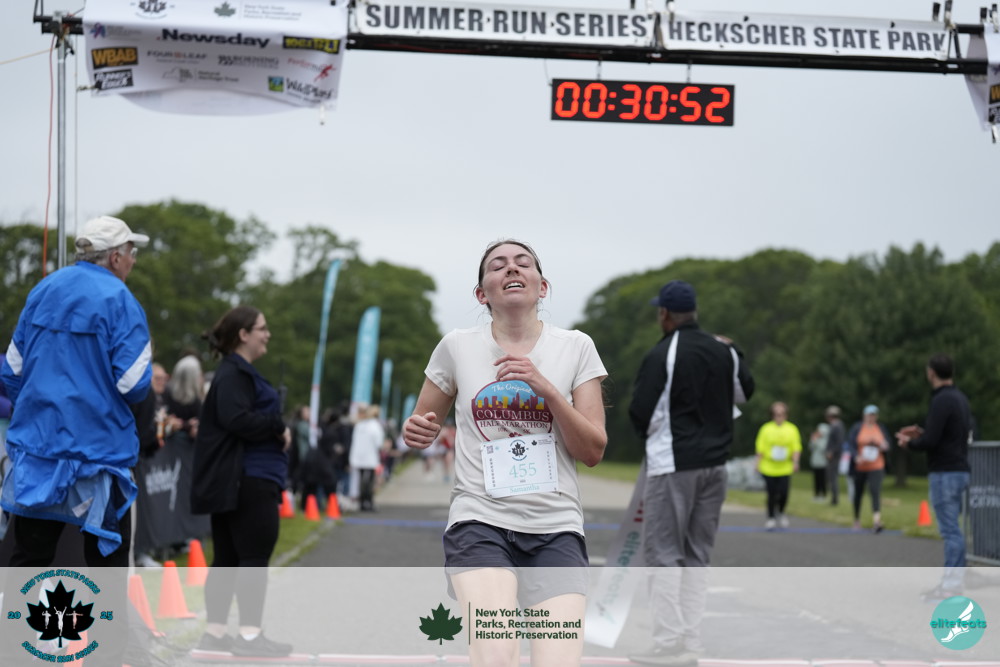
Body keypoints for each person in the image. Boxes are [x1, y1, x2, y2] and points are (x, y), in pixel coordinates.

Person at [402, 239, 607, 667]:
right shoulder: (457, 346)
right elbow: (423, 423)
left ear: (542, 286)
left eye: (522, 263)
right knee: (496, 651)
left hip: (556, 527)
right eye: (497, 266)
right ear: (482, 293)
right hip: (480, 521)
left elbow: (592, 450)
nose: (511, 269)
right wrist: (416, 430)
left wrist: (546, 388)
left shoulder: (576, 346)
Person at [0, 215, 151, 666]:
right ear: (116, 257)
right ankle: (107, 658)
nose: (134, 260)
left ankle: (16, 654)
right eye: (132, 252)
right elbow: (134, 384)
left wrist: (41, 413)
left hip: (39, 455)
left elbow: (11, 371)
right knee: (107, 566)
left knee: (28, 559)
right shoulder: (121, 300)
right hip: (99, 457)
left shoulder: (43, 290)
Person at [627, 279, 754, 666]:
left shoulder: (663, 352)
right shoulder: (725, 350)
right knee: (697, 556)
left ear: (664, 314)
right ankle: (690, 642)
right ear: (694, 312)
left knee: (663, 554)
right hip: (716, 466)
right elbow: (745, 392)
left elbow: (640, 411)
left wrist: (655, 437)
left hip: (674, 463)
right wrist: (735, 351)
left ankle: (669, 644)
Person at [191, 305, 293, 658]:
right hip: (250, 479)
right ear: (244, 334)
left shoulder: (233, 372)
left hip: (237, 480)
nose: (268, 334)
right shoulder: (235, 374)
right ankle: (249, 637)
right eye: (262, 328)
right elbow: (236, 419)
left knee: (228, 557)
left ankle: (216, 633)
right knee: (253, 556)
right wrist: (278, 426)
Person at [896, 353, 973, 600]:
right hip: (960, 468)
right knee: (955, 530)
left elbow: (931, 441)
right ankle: (956, 580)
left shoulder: (941, 400)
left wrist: (909, 443)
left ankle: (951, 584)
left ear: (931, 372)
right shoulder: (960, 398)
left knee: (950, 531)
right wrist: (923, 432)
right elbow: (949, 434)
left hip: (944, 472)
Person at [754, 402, 802, 531]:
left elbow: (796, 448)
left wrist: (796, 462)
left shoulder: (792, 429)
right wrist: (757, 463)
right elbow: (760, 448)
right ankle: (771, 518)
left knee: (784, 493)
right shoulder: (766, 429)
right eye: (776, 414)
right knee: (771, 494)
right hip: (768, 467)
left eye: (781, 414)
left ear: (786, 415)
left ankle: (780, 512)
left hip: (785, 467)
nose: (779, 416)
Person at [846, 404, 891, 533]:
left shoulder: (880, 428)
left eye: (874, 415)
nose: (872, 417)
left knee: (875, 491)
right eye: (869, 415)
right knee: (858, 493)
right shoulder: (857, 428)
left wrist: (884, 445)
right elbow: (851, 444)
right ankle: (856, 519)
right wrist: (856, 456)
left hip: (877, 465)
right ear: (864, 415)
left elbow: (888, 444)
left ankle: (876, 521)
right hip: (860, 466)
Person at [349, 404, 387, 511]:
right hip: (371, 458)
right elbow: (379, 444)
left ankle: (362, 502)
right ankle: (369, 502)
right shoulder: (376, 426)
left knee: (361, 480)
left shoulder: (359, 425)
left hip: (358, 457)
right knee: (369, 481)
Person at [824, 405, 845, 506]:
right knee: (831, 477)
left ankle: (834, 499)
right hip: (833, 455)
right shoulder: (835, 425)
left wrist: (831, 452)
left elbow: (838, 442)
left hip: (834, 456)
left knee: (833, 477)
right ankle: (833, 498)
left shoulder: (837, 426)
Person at [808, 421, 830, 501]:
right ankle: (816, 494)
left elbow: (823, 449)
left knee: (823, 480)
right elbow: (810, 448)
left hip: (823, 463)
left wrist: (815, 440)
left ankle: (823, 494)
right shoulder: (816, 438)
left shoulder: (826, 440)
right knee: (816, 480)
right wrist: (812, 440)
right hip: (815, 462)